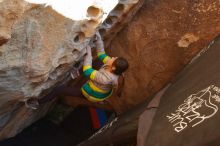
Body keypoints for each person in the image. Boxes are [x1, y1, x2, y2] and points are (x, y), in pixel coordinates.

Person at [25, 32, 129, 109]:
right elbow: (101, 54)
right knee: (99, 62)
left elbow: (88, 70)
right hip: (101, 85)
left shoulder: (106, 79)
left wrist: (88, 54)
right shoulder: (112, 67)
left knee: (60, 89)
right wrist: (99, 39)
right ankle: (77, 73)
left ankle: (38, 103)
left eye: (114, 59)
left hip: (92, 93)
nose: (113, 57)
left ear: (113, 68)